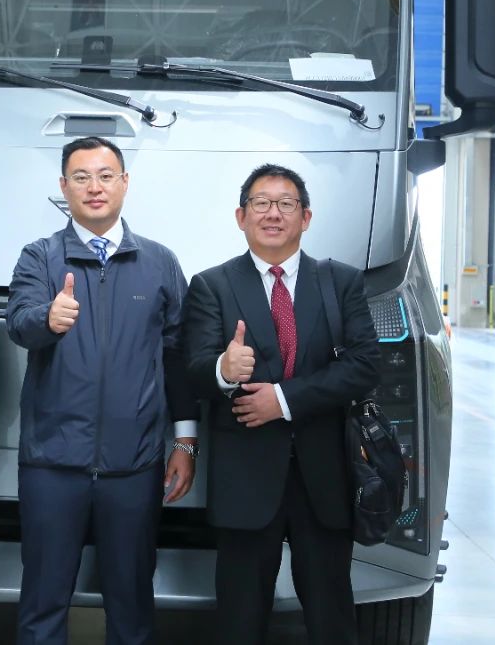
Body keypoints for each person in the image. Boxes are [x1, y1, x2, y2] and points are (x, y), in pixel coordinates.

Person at [6, 136, 198, 645]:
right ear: (64, 186)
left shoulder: (159, 262)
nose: (95, 187)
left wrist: (185, 442)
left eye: (106, 175)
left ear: (124, 183)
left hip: (134, 467)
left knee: (132, 608)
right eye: (82, 177)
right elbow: (20, 323)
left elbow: (177, 356)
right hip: (52, 464)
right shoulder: (40, 257)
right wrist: (47, 318)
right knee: (42, 606)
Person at [182, 164, 380, 645]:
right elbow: (192, 370)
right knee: (239, 621)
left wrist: (284, 400)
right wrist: (223, 369)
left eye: (286, 204)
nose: (273, 213)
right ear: (241, 216)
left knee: (332, 619)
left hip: (325, 478)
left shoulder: (341, 282)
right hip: (246, 480)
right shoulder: (211, 285)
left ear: (305, 217)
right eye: (261, 203)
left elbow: (365, 365)